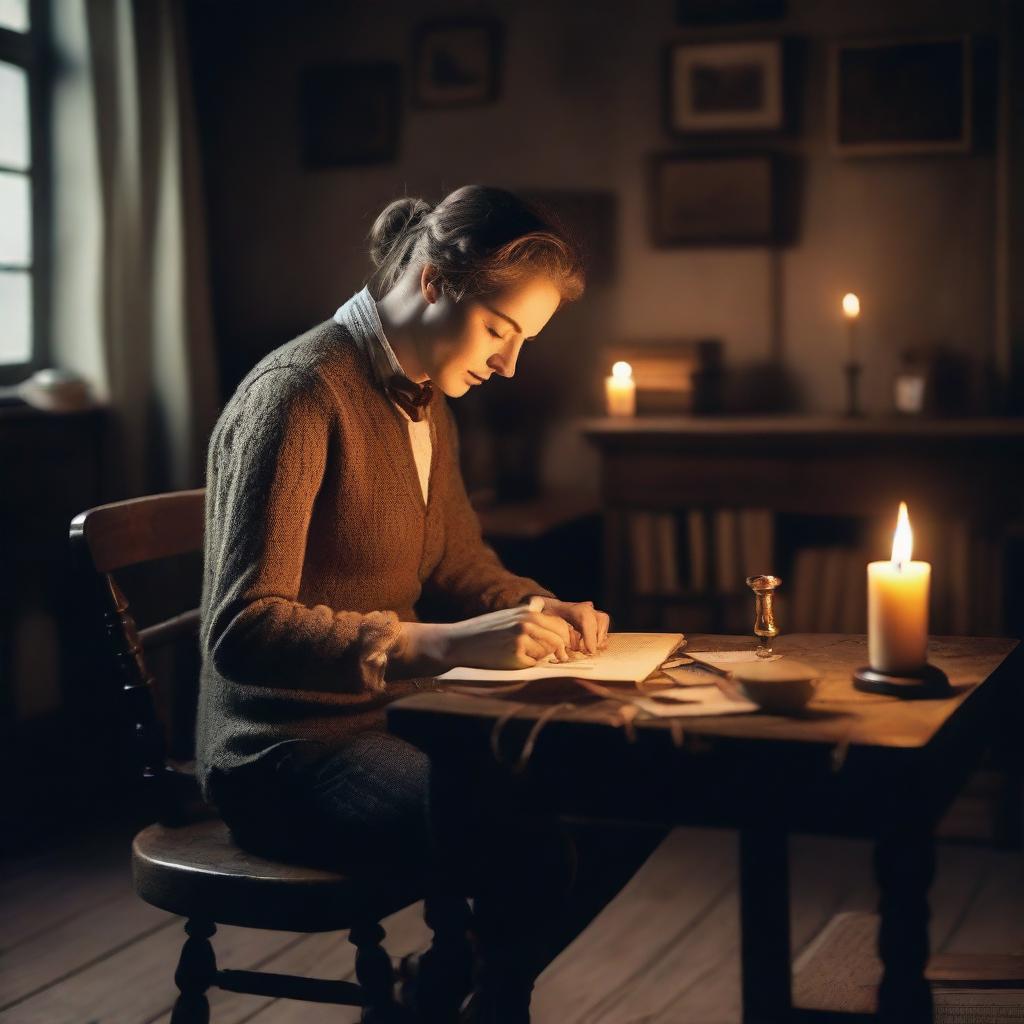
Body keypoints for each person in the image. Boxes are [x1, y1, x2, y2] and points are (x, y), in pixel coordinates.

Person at [196, 185, 657, 1022]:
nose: (510, 364)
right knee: (531, 840)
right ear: (434, 281)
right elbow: (243, 629)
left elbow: (454, 559)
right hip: (285, 751)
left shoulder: (426, 397)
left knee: (636, 794)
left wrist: (539, 605)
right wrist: (441, 646)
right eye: (500, 330)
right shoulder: (299, 394)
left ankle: (452, 985)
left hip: (400, 721)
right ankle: (480, 998)